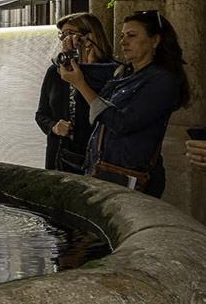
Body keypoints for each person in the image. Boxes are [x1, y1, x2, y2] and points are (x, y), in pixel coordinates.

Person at [59, 10, 189, 197]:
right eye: (122, 36)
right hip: (103, 170)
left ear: (155, 40)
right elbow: (69, 70)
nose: (123, 41)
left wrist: (81, 86)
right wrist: (70, 51)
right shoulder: (124, 71)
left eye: (132, 36)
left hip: (129, 177)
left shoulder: (163, 81)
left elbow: (122, 123)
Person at [34, 13, 116, 174]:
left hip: (96, 158)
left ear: (89, 37)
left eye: (70, 34)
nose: (65, 41)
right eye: (62, 35)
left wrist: (84, 63)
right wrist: (54, 127)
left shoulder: (110, 72)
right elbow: (41, 114)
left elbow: (108, 115)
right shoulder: (55, 71)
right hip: (59, 156)